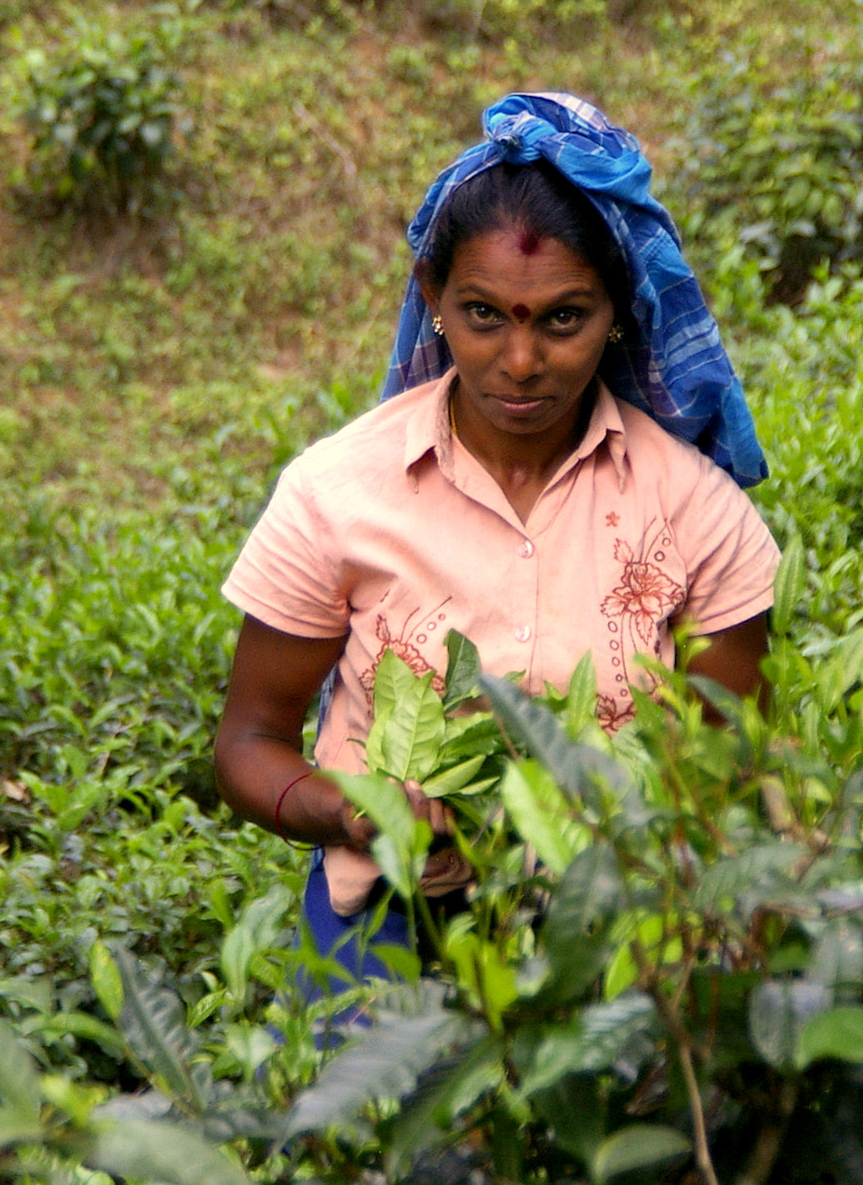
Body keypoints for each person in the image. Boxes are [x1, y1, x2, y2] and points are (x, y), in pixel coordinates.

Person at [214, 92, 780, 991]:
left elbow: (722, 771)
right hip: (391, 924)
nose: (520, 363)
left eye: (563, 317)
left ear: (619, 313)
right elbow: (248, 744)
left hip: (626, 927)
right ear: (434, 296)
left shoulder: (698, 514)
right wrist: (358, 812)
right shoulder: (333, 495)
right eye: (485, 315)